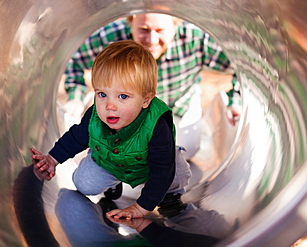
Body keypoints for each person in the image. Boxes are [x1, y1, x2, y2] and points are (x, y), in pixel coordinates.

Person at [31, 40, 191, 221]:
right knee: (83, 184)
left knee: (176, 172)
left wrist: (141, 208)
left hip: (152, 165)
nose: (109, 105)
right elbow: (76, 137)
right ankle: (112, 185)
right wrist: (52, 159)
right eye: (102, 94)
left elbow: (162, 170)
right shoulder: (95, 116)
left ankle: (170, 198)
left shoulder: (157, 125)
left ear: (146, 100)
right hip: (110, 160)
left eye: (123, 96)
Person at [62, 13, 241, 159]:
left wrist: (236, 100)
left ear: (175, 25)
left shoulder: (195, 39)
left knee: (183, 152)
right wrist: (75, 97)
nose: (151, 40)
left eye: (160, 30)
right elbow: (75, 59)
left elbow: (242, 67)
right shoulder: (111, 37)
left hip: (177, 105)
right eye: (143, 30)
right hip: (127, 110)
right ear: (130, 23)